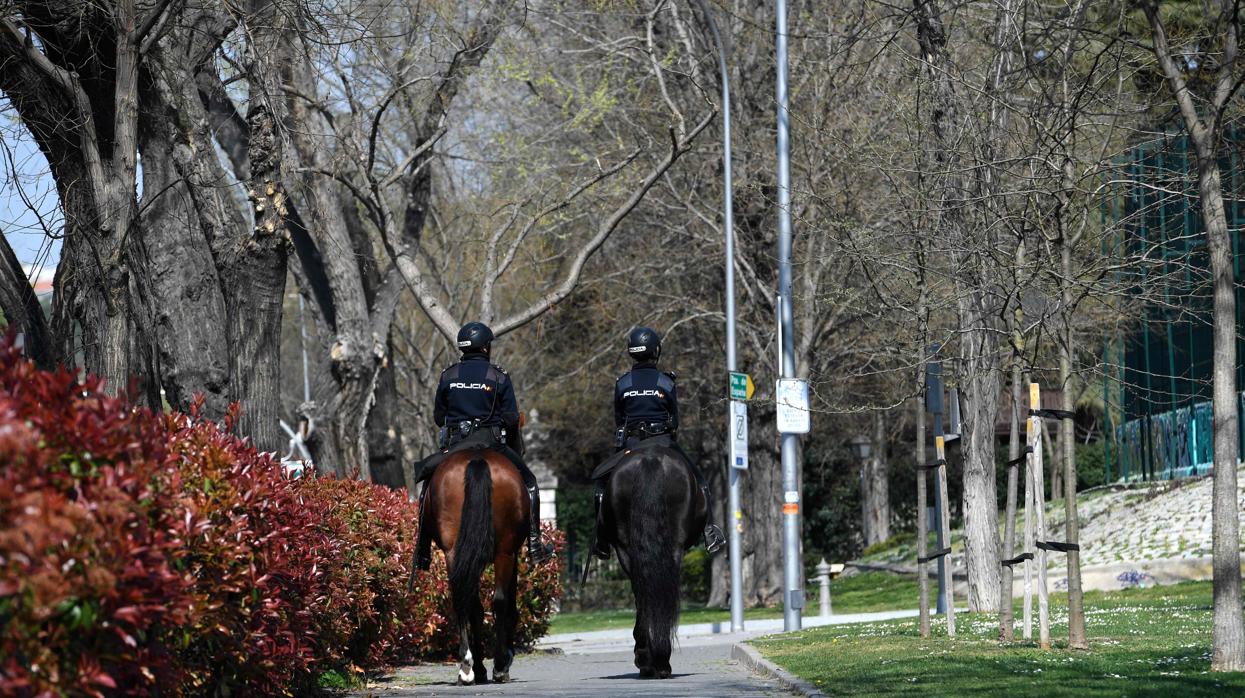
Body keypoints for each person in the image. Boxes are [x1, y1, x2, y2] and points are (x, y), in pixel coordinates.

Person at [413, 321, 551, 569]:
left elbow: (438, 418)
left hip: (456, 445)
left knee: (426, 489)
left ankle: (422, 551)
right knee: (530, 484)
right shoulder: (499, 376)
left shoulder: (448, 375)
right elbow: (510, 418)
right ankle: (535, 544)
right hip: (492, 442)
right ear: (486, 347)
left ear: (463, 348)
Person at [590, 326, 726, 560]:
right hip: (663, 441)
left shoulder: (622, 383)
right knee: (701, 482)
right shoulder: (666, 382)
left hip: (631, 444)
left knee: (601, 487)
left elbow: (619, 419)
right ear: (655, 351)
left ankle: (601, 540)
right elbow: (674, 420)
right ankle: (709, 531)